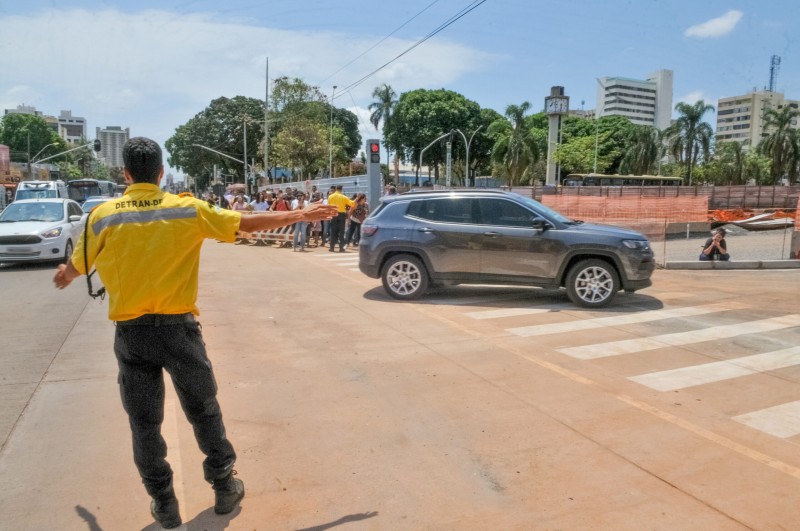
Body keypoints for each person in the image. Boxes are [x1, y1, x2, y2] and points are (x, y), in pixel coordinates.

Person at [52, 137, 337, 529]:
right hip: (179, 331)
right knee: (203, 409)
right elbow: (244, 225)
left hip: (132, 336)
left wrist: (65, 274)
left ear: (126, 174)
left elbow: (77, 265)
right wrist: (300, 214)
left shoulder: (103, 216)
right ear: (162, 171)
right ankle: (223, 486)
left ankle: (164, 504)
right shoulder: (186, 209)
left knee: (143, 423)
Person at [327, 185, 355, 253]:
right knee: (341, 232)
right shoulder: (343, 197)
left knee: (333, 231)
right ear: (341, 189)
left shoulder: (330, 197)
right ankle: (341, 248)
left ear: (336, 189)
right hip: (341, 215)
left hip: (333, 214)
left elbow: (329, 206)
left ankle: (332, 247)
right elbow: (352, 204)